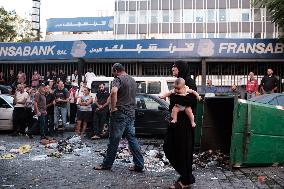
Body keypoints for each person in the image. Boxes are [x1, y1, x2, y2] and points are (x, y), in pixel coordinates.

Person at [94, 63, 144, 172]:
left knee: (114, 139)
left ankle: (107, 164)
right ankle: (139, 164)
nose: (113, 74)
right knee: (132, 139)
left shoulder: (117, 79)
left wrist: (113, 108)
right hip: (131, 113)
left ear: (116, 70)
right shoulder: (132, 80)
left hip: (120, 113)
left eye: (113, 72)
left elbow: (113, 92)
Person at [163, 60, 197, 188]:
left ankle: (186, 179)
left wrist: (174, 97)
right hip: (176, 123)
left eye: (175, 68)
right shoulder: (180, 81)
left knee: (183, 151)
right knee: (169, 147)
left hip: (185, 124)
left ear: (181, 68)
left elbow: (192, 101)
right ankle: (185, 175)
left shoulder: (189, 82)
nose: (173, 70)